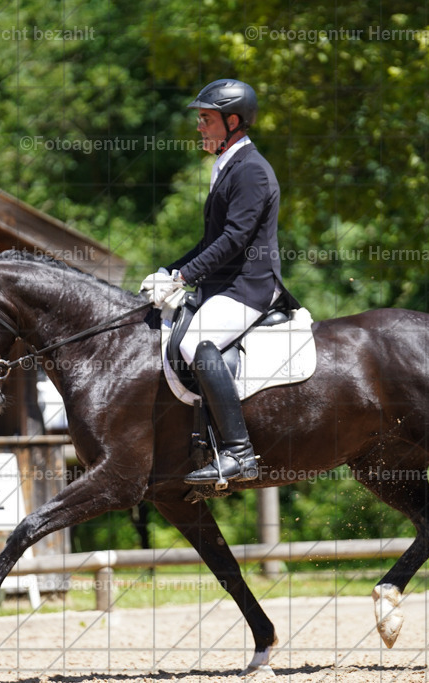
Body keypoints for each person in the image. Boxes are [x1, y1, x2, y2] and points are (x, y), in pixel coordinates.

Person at [140, 79, 298, 486]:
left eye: (206, 120)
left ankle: (239, 453)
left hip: (250, 286)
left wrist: (183, 277)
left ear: (233, 121)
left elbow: (235, 240)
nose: (199, 127)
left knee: (194, 344)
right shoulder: (225, 165)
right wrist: (168, 270)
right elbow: (210, 241)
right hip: (224, 285)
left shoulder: (252, 171)